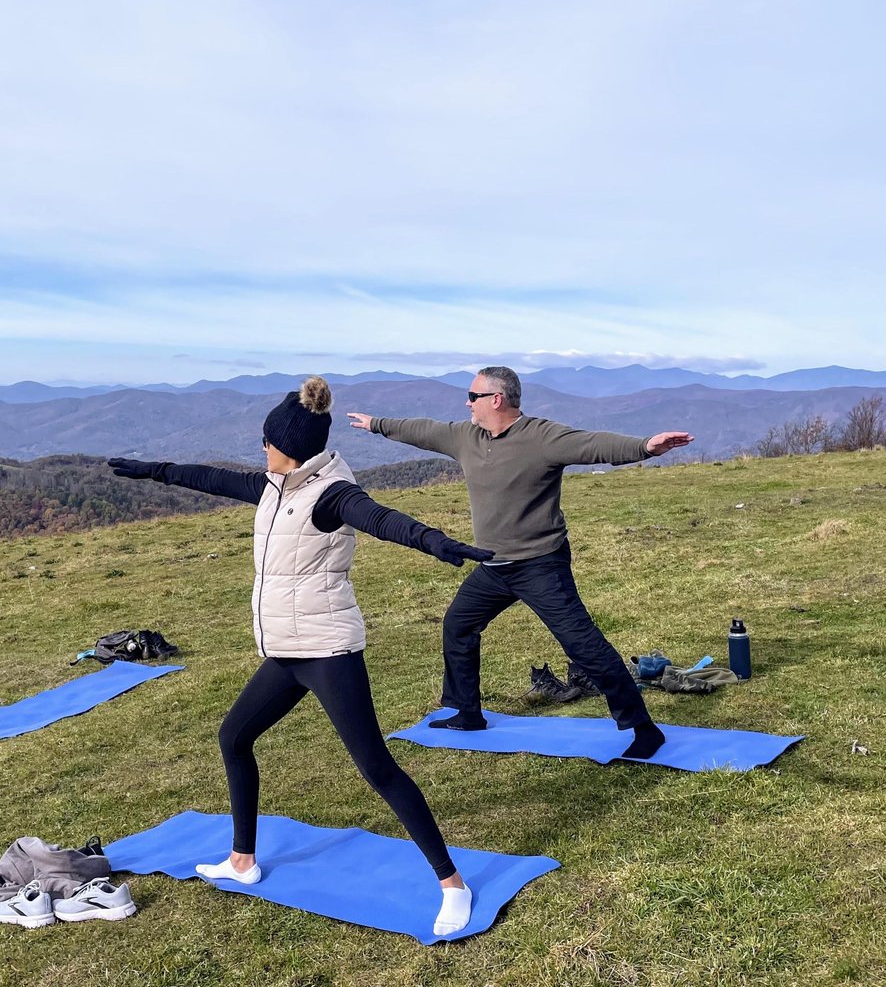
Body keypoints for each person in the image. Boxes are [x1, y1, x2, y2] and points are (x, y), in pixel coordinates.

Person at [108, 376, 493, 936]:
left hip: (327, 651)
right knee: (234, 738)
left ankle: (452, 884)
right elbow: (214, 479)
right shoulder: (277, 485)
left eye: (266, 442)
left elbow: (382, 519)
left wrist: (434, 541)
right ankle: (243, 860)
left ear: (286, 446)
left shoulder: (330, 493)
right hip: (286, 651)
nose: (261, 451)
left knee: (378, 768)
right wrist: (155, 470)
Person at [347, 366, 693, 760]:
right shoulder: (466, 436)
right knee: (458, 626)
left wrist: (646, 446)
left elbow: (594, 444)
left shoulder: (542, 437)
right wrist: (376, 424)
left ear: (496, 399)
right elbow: (422, 430)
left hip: (540, 565)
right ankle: (467, 712)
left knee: (584, 646)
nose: (467, 403)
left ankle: (643, 728)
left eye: (472, 396)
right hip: (492, 566)